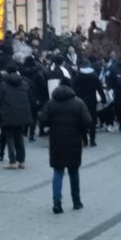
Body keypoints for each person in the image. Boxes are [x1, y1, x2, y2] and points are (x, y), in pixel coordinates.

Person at [38, 85, 92, 214]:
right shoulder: (79, 103)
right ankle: (76, 201)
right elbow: (87, 120)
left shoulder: (51, 103)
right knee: (74, 172)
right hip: (74, 141)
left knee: (58, 172)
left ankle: (57, 203)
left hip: (56, 141)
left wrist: (49, 128)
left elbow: (42, 118)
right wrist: (82, 132)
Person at [0, 63, 33, 169]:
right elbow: (31, 99)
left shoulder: (3, 84)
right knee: (19, 136)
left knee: (9, 137)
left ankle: (12, 161)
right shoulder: (24, 84)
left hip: (7, 113)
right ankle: (22, 161)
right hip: (22, 114)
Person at [73, 60, 105, 147]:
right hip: (92, 100)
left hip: (81, 101)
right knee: (92, 120)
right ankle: (92, 140)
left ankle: (84, 139)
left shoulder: (78, 76)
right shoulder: (94, 76)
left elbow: (73, 88)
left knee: (82, 120)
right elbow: (100, 88)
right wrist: (103, 99)